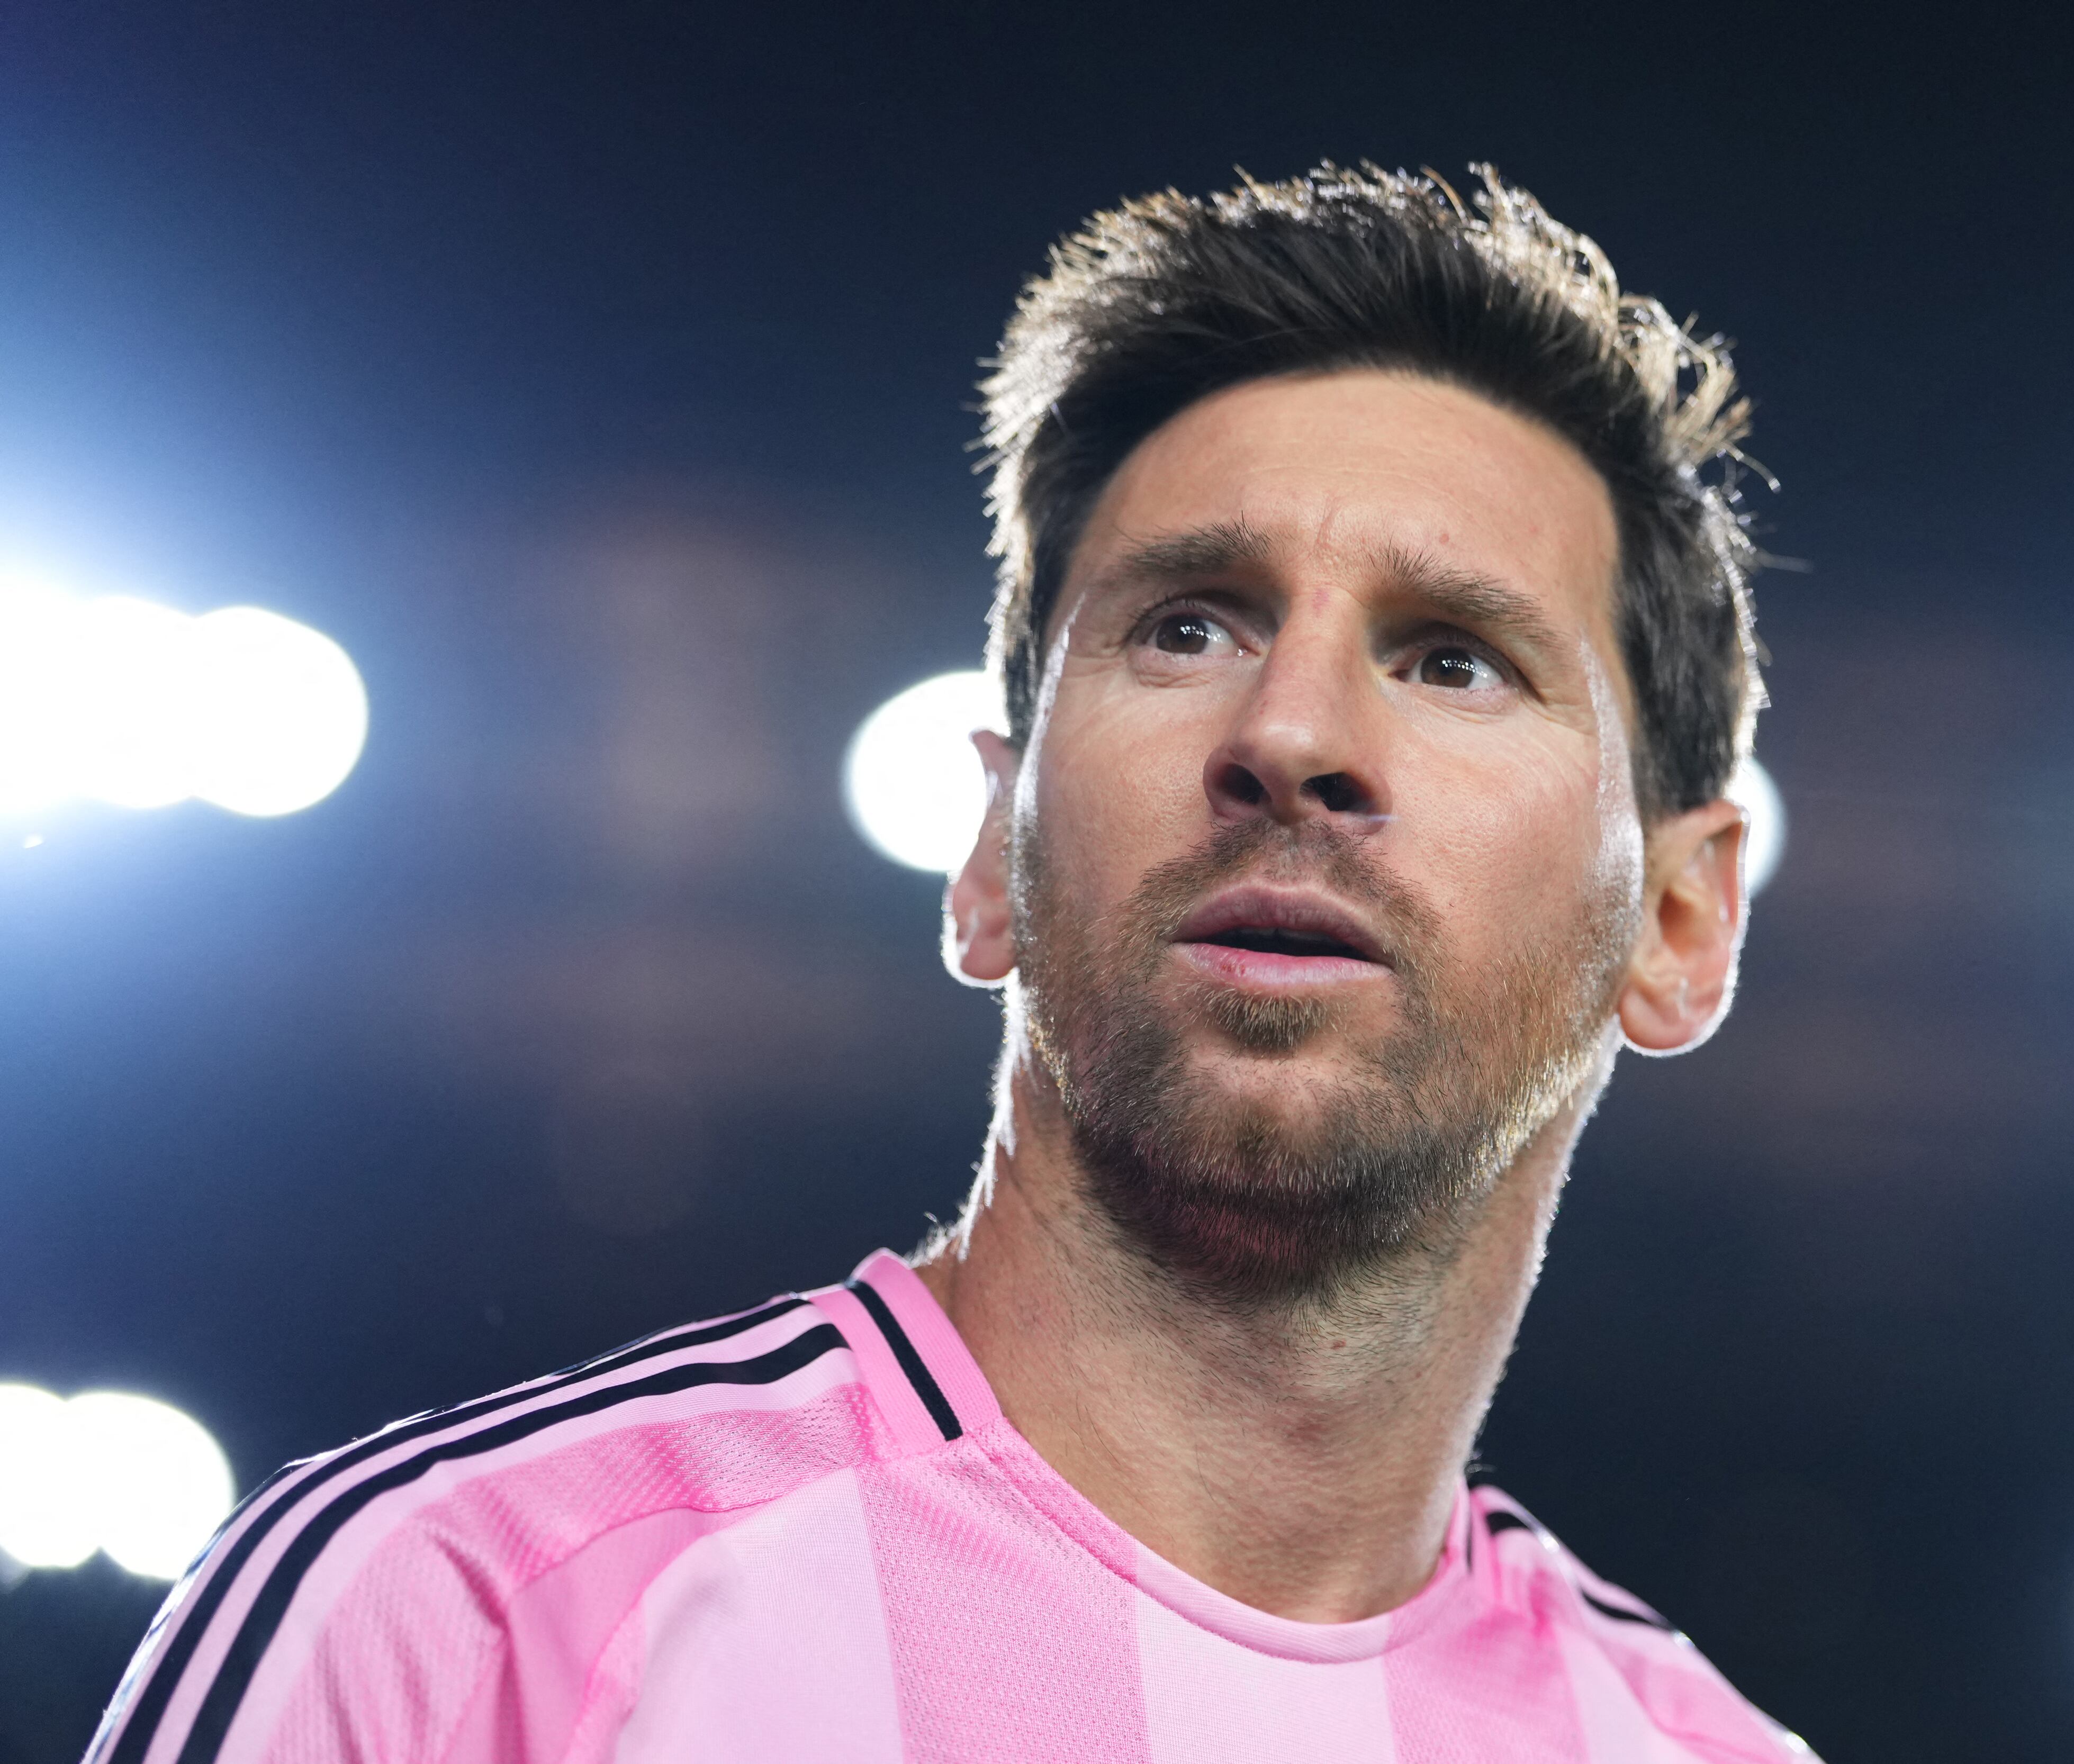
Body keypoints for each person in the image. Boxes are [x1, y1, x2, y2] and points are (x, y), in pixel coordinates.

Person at [88, 164, 1811, 1764]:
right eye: (1185, 626)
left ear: (1679, 923)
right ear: (990, 854)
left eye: (1451, 659)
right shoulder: (457, 1621)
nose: (1289, 732)